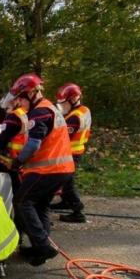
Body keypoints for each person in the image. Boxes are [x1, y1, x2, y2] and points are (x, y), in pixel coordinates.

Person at [0, 73, 75, 266]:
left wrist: (18, 162)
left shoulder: (39, 112)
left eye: (21, 99)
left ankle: (43, 246)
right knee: (40, 205)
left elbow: (33, 144)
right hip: (63, 169)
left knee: (22, 201)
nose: (20, 104)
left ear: (31, 93)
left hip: (49, 170)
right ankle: (39, 249)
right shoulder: (50, 108)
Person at [52, 83, 92, 223]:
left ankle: (78, 211)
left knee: (67, 182)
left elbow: (62, 136)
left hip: (70, 153)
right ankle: (66, 202)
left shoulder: (74, 117)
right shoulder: (83, 110)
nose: (62, 107)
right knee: (65, 181)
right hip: (74, 151)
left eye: (64, 104)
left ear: (74, 99)